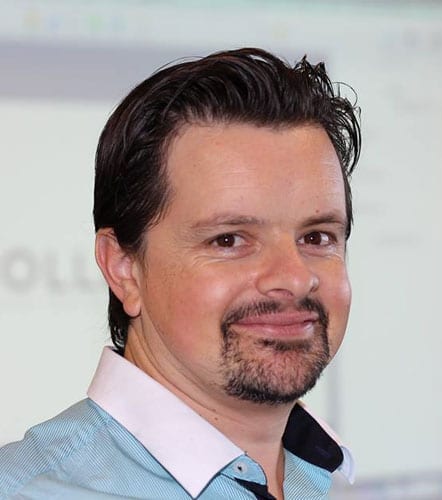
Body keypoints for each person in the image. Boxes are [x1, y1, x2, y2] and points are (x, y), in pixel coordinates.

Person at [0, 47, 361, 499]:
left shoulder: (333, 483)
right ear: (123, 268)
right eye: (229, 240)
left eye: (317, 237)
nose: (292, 277)